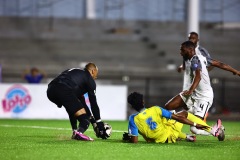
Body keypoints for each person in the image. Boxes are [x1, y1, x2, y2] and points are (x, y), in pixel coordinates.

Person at [164, 41, 226, 139]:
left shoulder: (195, 59)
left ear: (190, 50)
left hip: (203, 96)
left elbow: (198, 76)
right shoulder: (198, 59)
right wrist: (236, 72)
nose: (180, 52)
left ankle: (215, 130)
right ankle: (175, 127)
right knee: (168, 106)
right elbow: (219, 64)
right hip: (192, 93)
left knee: (194, 129)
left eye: (182, 50)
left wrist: (191, 89)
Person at [122, 92, 222, 144]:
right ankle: (211, 130)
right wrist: (195, 124)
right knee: (183, 114)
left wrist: (129, 138)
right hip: (170, 136)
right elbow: (177, 118)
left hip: (158, 140)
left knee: (165, 122)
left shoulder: (132, 119)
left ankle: (187, 137)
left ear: (132, 106)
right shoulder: (156, 109)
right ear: (143, 102)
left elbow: (134, 141)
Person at [46, 62, 109, 141]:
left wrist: (93, 122)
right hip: (64, 89)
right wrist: (99, 124)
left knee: (73, 108)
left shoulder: (76, 73)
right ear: (93, 71)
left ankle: (75, 131)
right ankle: (78, 134)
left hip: (50, 90)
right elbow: (93, 103)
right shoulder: (89, 79)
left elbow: (83, 105)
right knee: (85, 119)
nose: (96, 76)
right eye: (96, 73)